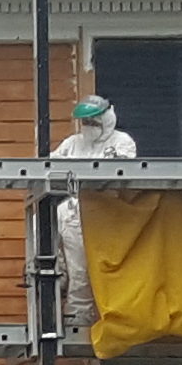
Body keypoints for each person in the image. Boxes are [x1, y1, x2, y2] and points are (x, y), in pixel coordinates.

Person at [48, 93, 138, 335]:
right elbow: (49, 166)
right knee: (54, 259)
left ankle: (80, 319)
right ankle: (59, 289)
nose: (89, 128)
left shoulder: (122, 142)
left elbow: (120, 175)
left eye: (94, 123)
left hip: (101, 215)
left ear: (107, 118)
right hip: (70, 212)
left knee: (84, 270)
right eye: (86, 123)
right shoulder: (73, 143)